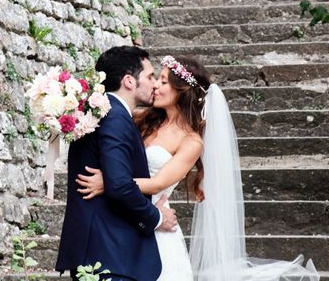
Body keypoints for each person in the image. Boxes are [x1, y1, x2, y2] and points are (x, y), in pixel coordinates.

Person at [76, 55, 319, 281]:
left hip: (157, 221)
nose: (155, 87)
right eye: (156, 79)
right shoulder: (139, 119)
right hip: (122, 213)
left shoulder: (191, 141)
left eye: (162, 81)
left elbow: (159, 182)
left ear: (182, 90)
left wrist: (108, 183)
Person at [55, 46, 178, 281]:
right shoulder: (115, 118)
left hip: (102, 253)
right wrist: (157, 217)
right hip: (109, 255)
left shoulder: (100, 113)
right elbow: (120, 185)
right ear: (129, 81)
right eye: (150, 76)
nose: (155, 84)